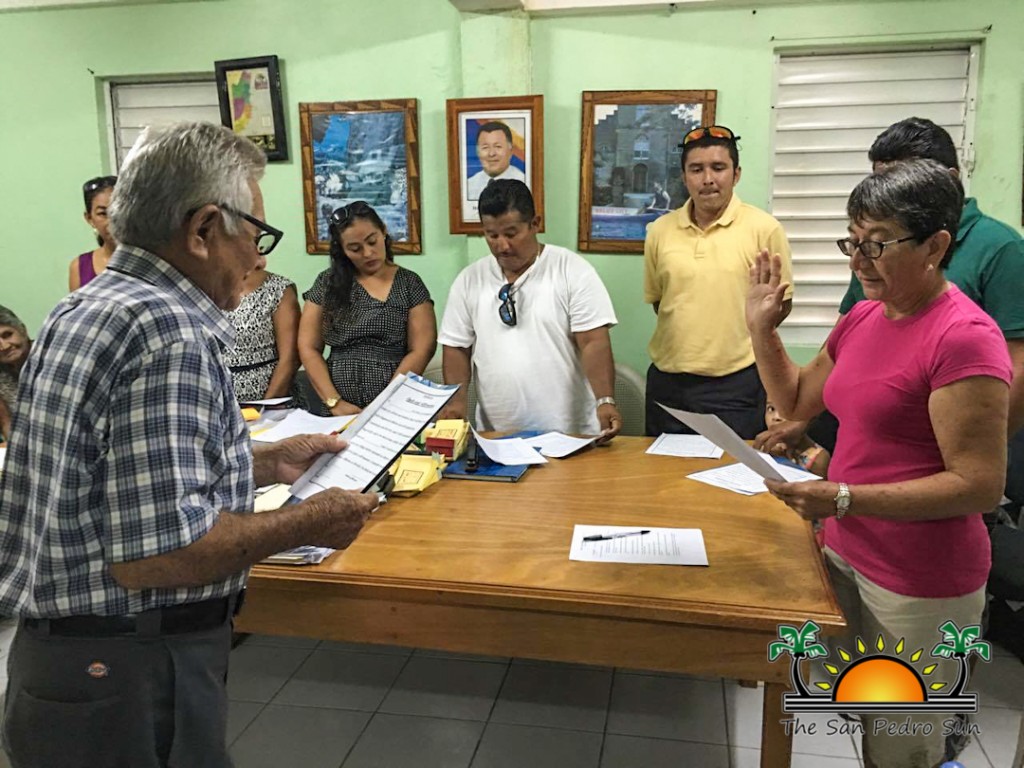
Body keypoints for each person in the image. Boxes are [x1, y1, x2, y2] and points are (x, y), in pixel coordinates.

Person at [0, 122, 378, 768]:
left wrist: (265, 462)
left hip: (66, 663)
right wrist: (312, 520)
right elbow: (159, 554)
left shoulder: (85, 306)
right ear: (203, 230)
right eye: (255, 233)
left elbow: (113, 475)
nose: (257, 256)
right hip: (129, 669)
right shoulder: (168, 331)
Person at [746, 159, 1011, 768]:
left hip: (919, 582)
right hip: (846, 552)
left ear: (935, 246)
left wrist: (843, 497)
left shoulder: (963, 337)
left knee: (902, 747)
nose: (858, 261)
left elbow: (978, 485)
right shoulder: (865, 316)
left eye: (878, 244)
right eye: (853, 241)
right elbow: (796, 402)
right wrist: (761, 329)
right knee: (853, 712)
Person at [758, 117, 1024, 455]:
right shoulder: (872, 251)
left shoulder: (1000, 248)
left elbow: (1017, 364)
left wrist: (976, 450)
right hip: (873, 423)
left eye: (901, 181)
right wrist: (803, 417)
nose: (886, 195)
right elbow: (843, 340)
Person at [439, 179, 622, 438]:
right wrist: (456, 402)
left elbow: (593, 342)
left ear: (535, 224)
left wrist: (605, 400)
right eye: (492, 235)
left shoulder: (572, 270)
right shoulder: (469, 280)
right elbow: (457, 347)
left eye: (511, 234)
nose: (502, 246)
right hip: (496, 435)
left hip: (571, 433)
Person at [643, 124, 794, 439]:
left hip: (735, 385)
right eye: (696, 169)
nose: (708, 179)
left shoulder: (764, 229)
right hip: (667, 384)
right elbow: (661, 302)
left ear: (736, 174)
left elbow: (781, 305)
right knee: (660, 469)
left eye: (718, 167)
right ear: (684, 177)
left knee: (730, 468)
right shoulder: (659, 230)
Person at [298, 200, 436, 416]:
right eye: (355, 248)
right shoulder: (327, 283)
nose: (368, 253)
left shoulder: (409, 283)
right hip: (336, 408)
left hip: (394, 405)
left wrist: (387, 401)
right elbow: (308, 347)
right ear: (343, 250)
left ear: (384, 232)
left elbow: (422, 349)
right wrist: (335, 403)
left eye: (372, 241)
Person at [224, 269, 300, 401]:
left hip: (270, 404)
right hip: (213, 404)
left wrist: (265, 406)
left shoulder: (278, 289)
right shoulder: (200, 288)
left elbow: (290, 358)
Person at [69, 175, 117, 291]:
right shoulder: (80, 267)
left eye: (117, 211)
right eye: (102, 213)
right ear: (89, 218)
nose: (112, 220)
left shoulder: (150, 261)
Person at [765, 400, 829, 477]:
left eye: (786, 411)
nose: (776, 417)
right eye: (771, 409)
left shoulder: (819, 458)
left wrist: (786, 463)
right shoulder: (764, 446)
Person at [466, 121, 526, 200]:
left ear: (511, 150)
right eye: (485, 147)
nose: (491, 153)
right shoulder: (469, 185)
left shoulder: (524, 182)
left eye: (498, 146)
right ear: (478, 152)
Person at [0, 306, 31, 442]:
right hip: (21, 445)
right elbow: (6, 422)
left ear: (23, 330)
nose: (4, 346)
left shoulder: (50, 360)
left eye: (7, 335)